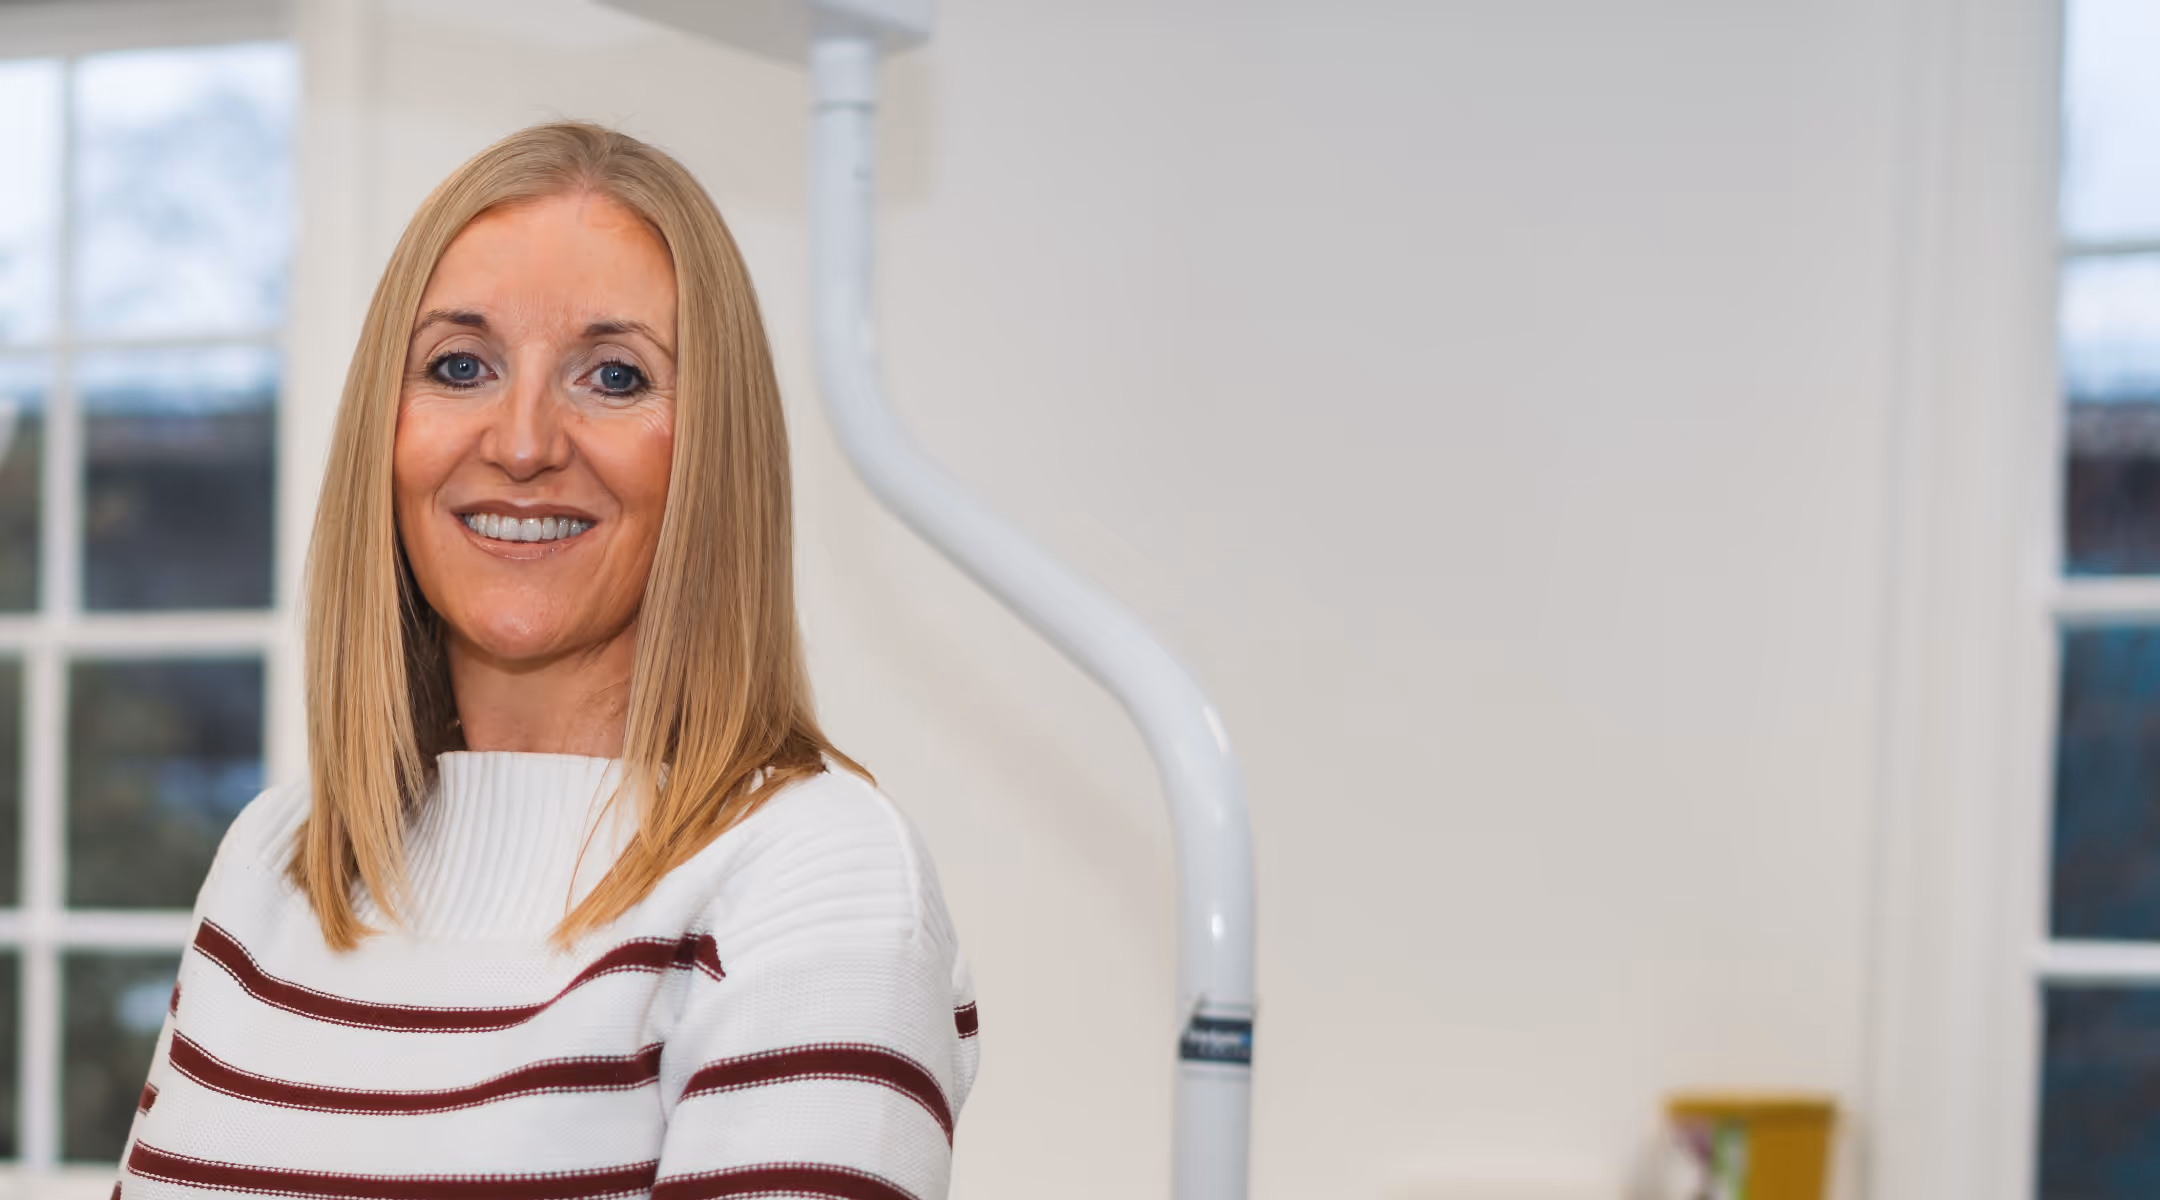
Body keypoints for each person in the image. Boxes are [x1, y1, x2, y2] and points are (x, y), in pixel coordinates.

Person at [112, 121, 979, 1200]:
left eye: (614, 377)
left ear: (714, 452)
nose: (523, 443)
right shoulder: (274, 863)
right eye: (459, 365)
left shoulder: (815, 876)